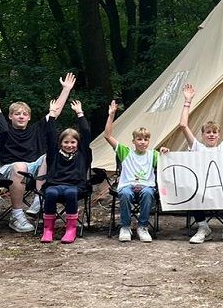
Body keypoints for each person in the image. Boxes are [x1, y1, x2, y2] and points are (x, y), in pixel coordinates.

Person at [0, 63, 73, 232]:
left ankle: (38, 201)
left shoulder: (37, 129)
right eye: (17, 113)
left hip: (35, 171)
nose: (21, 116)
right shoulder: (3, 127)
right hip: (8, 170)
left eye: (25, 114)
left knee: (50, 155)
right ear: (10, 116)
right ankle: (17, 216)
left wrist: (66, 89)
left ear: (29, 117)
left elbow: (55, 110)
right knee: (20, 166)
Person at [179, 80, 223, 244]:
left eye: (214, 132)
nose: (211, 135)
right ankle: (203, 228)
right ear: (202, 135)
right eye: (208, 132)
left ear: (219, 135)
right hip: (203, 188)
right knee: (191, 190)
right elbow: (183, 125)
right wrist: (187, 101)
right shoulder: (197, 147)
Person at [102, 99, 157, 243]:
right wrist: (111, 115)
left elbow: (166, 163)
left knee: (148, 193)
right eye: (139, 139)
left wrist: (165, 151)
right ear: (133, 141)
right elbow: (107, 136)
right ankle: (125, 227)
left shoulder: (153, 154)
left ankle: (142, 227)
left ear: (149, 141)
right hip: (127, 185)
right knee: (125, 193)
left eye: (146, 139)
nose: (142, 142)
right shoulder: (125, 152)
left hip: (146, 186)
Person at [40, 99, 92, 244]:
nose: (69, 145)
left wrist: (80, 113)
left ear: (78, 143)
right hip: (55, 184)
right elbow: (50, 135)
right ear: (61, 143)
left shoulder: (82, 154)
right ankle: (48, 229)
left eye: (73, 142)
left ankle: (71, 229)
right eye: (66, 142)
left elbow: (86, 132)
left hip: (76, 186)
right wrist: (52, 114)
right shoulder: (54, 154)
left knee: (70, 193)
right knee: (50, 193)